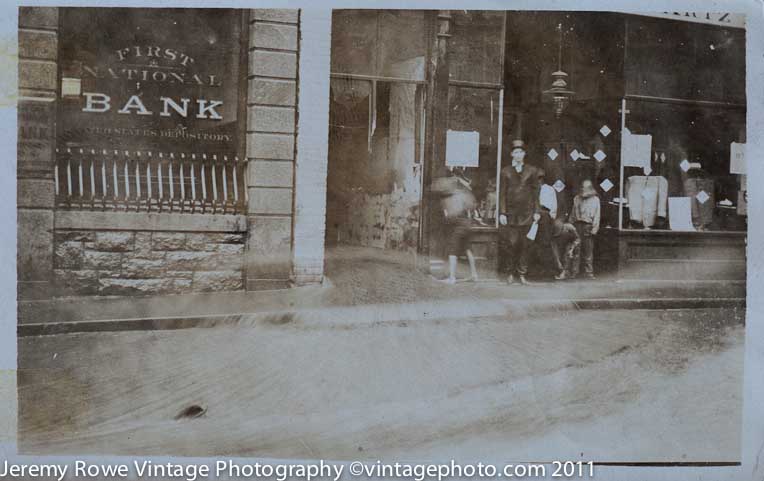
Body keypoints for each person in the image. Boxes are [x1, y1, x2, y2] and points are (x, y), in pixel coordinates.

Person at [499, 139, 542, 285]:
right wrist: (502, 213)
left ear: (524, 154)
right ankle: (510, 272)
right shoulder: (505, 171)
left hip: (527, 213)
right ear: (512, 154)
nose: (518, 155)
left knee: (525, 244)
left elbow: (536, 193)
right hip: (511, 214)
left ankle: (522, 273)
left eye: (521, 152)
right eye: (516, 152)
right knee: (511, 244)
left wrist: (537, 211)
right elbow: (502, 193)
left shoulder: (532, 171)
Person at [435, 169, 478, 284]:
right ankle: (474, 275)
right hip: (467, 223)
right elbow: (472, 206)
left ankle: (452, 278)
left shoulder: (447, 199)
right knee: (467, 249)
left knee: (452, 250)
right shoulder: (463, 194)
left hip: (457, 225)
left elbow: (449, 216)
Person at [569, 179, 601, 279]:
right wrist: (570, 225)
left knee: (588, 251)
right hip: (577, 226)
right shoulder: (576, 198)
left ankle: (589, 273)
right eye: (582, 187)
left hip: (588, 226)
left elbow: (597, 215)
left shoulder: (595, 199)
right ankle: (574, 272)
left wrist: (595, 229)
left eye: (586, 187)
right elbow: (573, 213)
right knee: (576, 250)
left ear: (591, 188)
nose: (584, 189)